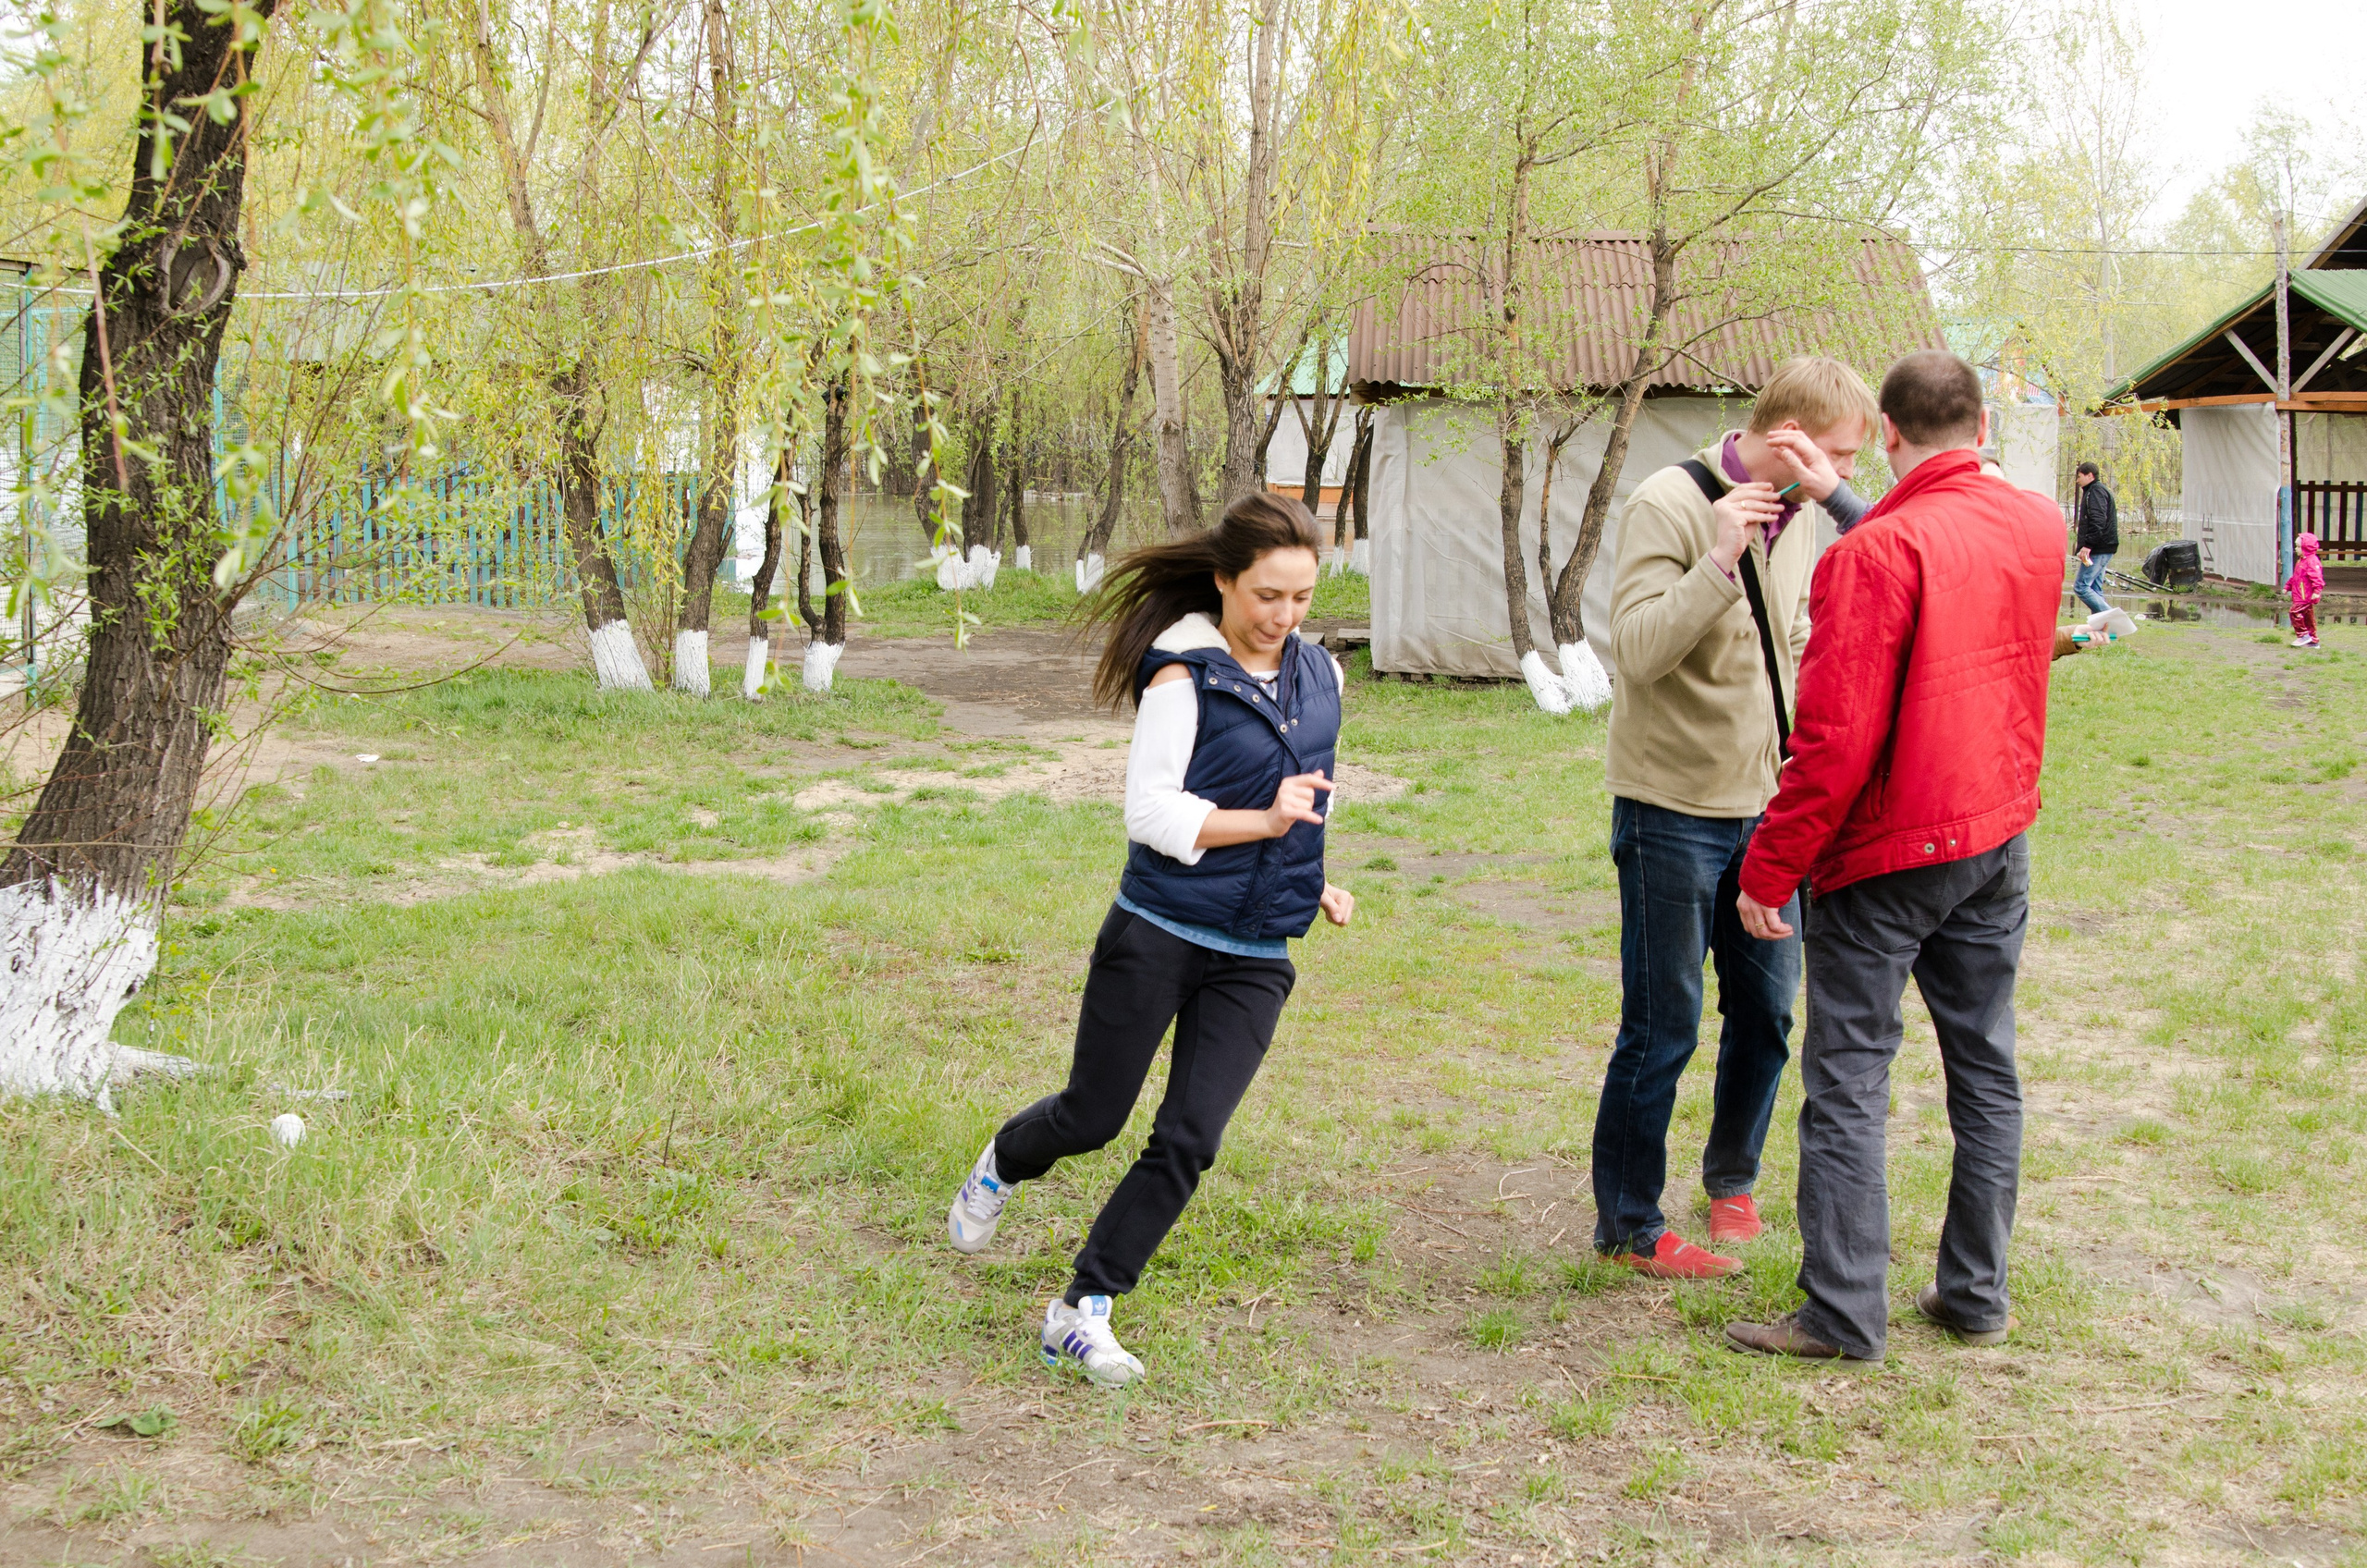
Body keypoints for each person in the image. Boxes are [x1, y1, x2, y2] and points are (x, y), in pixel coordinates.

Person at [941, 493, 1354, 1388]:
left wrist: (1307, 876)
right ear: (1223, 582)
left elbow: (1297, 799)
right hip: (1158, 931)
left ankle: (1081, 1309)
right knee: (1093, 1117)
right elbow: (1152, 813)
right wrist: (1262, 823)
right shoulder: (1180, 679)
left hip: (1255, 951)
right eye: (1265, 596)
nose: (1282, 617)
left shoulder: (1321, 673)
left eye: (1300, 597)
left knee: (1191, 1135)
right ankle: (1003, 1161)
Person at [1723, 350, 2064, 1363]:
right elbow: (1933, 556)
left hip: (1889, 852)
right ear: (1983, 426)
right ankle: (1973, 1291)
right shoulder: (2035, 524)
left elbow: (1831, 743)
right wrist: (1841, 499)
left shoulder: (1875, 556)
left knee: (1848, 1078)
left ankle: (1841, 1309)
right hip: (1996, 832)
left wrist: (1767, 866)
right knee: (1985, 1066)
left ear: (1885, 427)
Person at [1589, 356, 1881, 1280]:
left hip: (1767, 810)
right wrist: (1718, 558)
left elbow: (1786, 635)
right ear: (1785, 436)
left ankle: (1732, 1178)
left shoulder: (1800, 517)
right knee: (1662, 1022)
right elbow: (1635, 654)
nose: (1837, 473)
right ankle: (1630, 1228)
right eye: (1830, 454)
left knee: (1767, 1011)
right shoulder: (1668, 503)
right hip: (1672, 808)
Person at [2071, 460, 2118, 616]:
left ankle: (2113, 618)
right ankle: (2101, 626)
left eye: (2079, 476)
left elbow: (2098, 520)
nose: (2077, 481)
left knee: (2081, 587)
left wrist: (2088, 545)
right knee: (2095, 589)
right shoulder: (2093, 491)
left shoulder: (2095, 491)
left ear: (2090, 475)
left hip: (2099, 548)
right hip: (2103, 546)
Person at [2287, 531, 2324, 648]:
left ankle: (2303, 635)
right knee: (2308, 618)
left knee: (2294, 612)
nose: (2296, 549)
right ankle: (2313, 641)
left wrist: (2317, 591)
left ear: (2306, 547)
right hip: (2299, 594)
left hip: (2305, 596)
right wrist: (2287, 586)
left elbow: (2317, 578)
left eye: (2298, 547)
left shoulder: (2312, 561)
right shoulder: (2301, 560)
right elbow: (2296, 577)